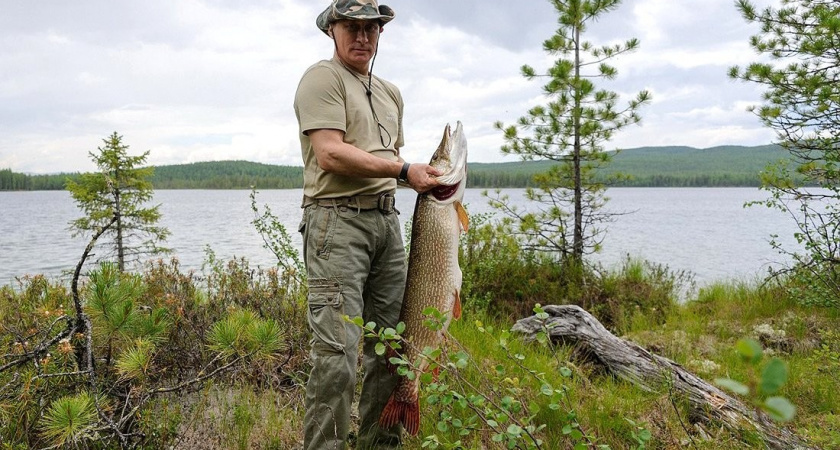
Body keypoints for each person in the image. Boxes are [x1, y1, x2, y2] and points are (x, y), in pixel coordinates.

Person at [293, 1, 440, 448]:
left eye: (371, 28)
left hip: (386, 224)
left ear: (380, 34)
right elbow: (330, 153)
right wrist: (403, 171)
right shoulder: (323, 78)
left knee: (393, 351)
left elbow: (389, 158)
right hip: (336, 225)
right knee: (337, 357)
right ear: (332, 30)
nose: (362, 37)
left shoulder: (391, 92)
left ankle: (379, 444)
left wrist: (414, 176)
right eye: (352, 27)